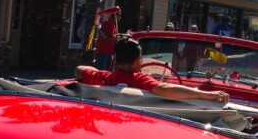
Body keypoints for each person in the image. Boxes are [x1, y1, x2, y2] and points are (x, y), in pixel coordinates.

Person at [76, 36, 230, 103]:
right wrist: (206, 95)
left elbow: (79, 69)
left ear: (116, 59)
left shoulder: (104, 78)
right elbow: (164, 88)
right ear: (138, 60)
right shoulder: (139, 80)